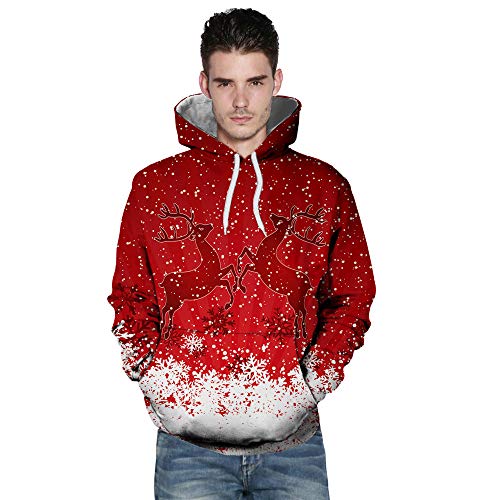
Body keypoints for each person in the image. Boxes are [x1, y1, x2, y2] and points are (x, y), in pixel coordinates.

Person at [107, 7, 376, 499]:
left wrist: (312, 383)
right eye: (225, 83)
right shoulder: (154, 185)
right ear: (204, 85)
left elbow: (353, 295)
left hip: (293, 448)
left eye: (254, 82)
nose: (240, 101)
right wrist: (157, 380)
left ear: (277, 81)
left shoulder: (324, 185)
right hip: (188, 448)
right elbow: (130, 294)